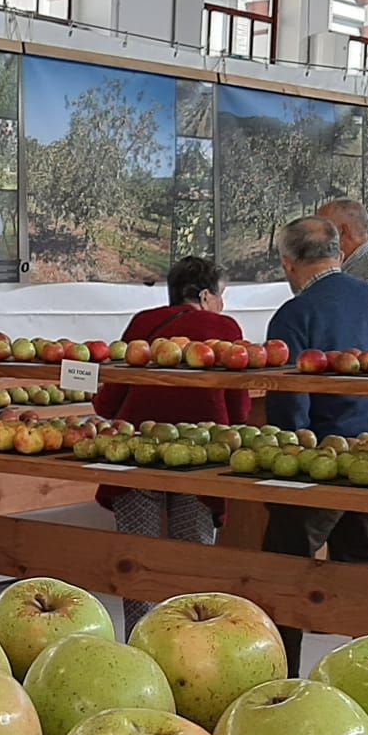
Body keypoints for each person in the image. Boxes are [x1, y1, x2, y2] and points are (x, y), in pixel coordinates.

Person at [261, 217, 368, 669]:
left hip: (323, 462)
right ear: (339, 254)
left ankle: (282, 678)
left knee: (285, 570)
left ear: (288, 264)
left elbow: (291, 401)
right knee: (362, 574)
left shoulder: (296, 314)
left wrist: (287, 462)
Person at [94, 257, 252, 632]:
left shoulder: (143, 323)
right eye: (221, 295)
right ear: (204, 294)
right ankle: (193, 642)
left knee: (138, 559)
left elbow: (109, 399)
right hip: (203, 453)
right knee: (192, 557)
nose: (223, 304)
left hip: (137, 450)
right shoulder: (225, 328)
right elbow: (239, 406)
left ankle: (141, 642)